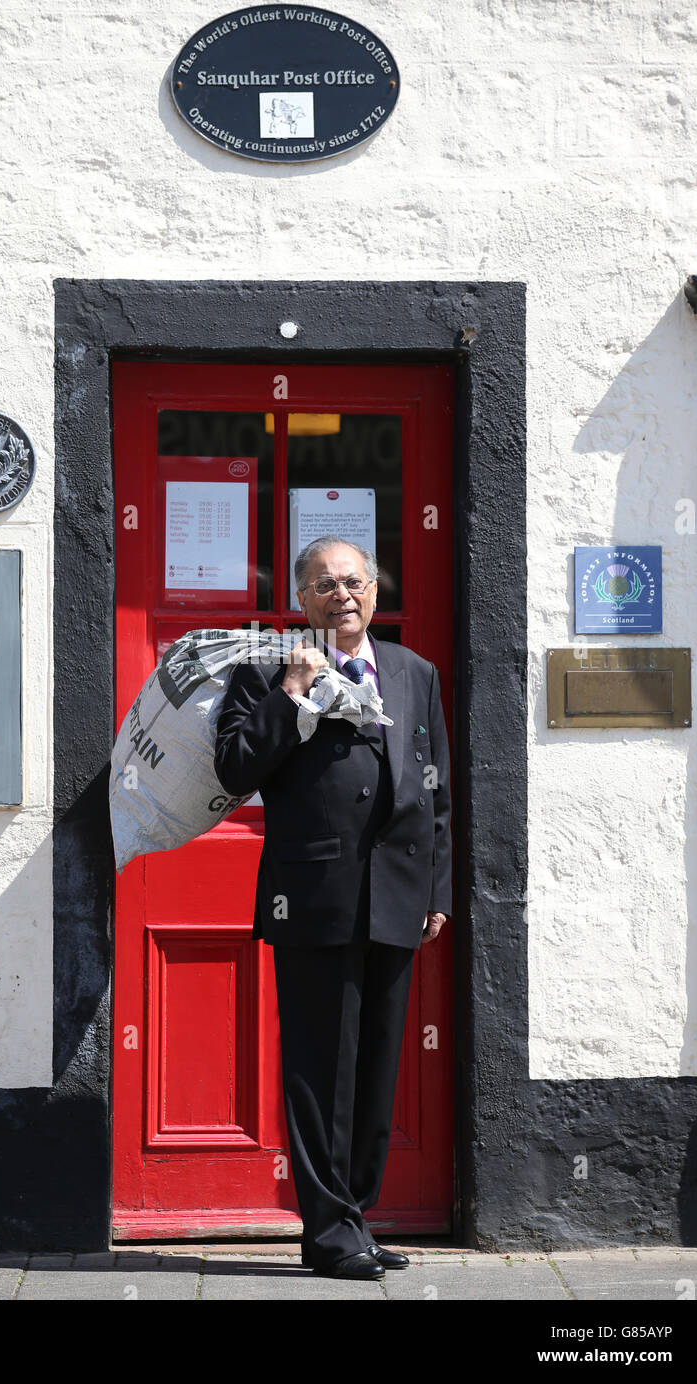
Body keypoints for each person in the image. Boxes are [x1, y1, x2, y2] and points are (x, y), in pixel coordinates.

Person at [213, 536, 452, 1280]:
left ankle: (358, 1216)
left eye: (354, 581)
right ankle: (327, 1234)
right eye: (324, 585)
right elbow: (234, 765)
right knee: (321, 1068)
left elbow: (434, 785)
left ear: (376, 591)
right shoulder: (266, 671)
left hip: (399, 896)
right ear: (302, 600)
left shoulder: (415, 672)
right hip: (313, 895)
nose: (342, 595)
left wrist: (438, 889)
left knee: (377, 1065)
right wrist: (289, 693)